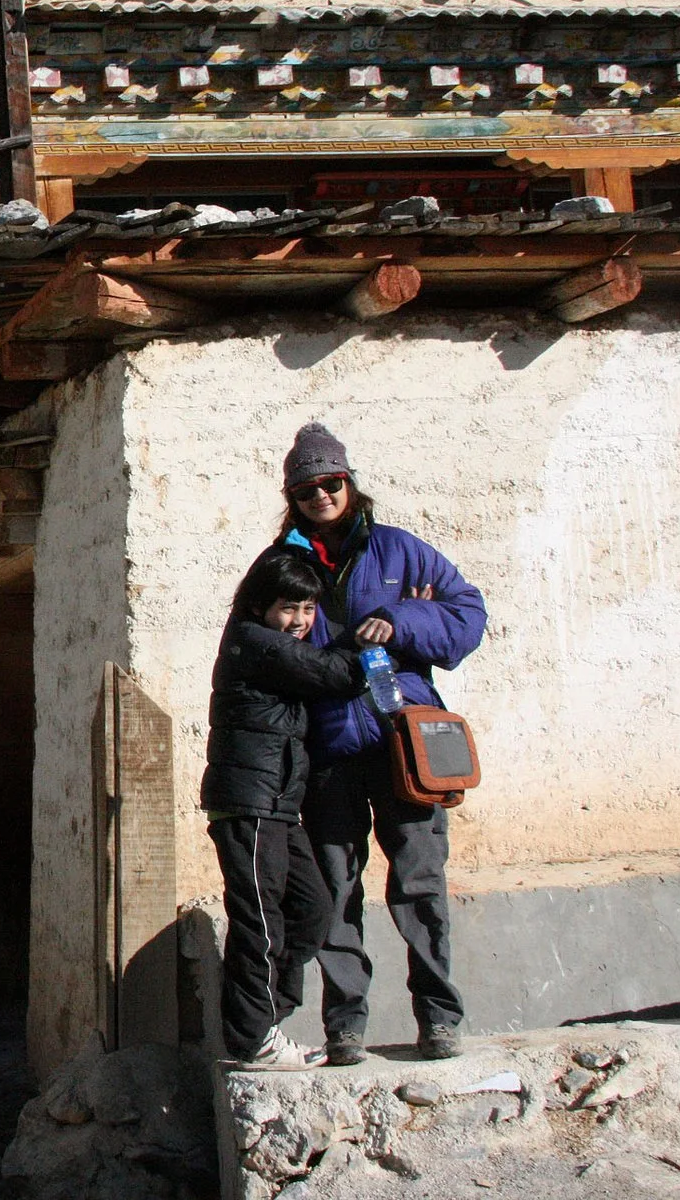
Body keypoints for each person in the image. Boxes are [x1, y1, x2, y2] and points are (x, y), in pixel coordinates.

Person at [276, 422, 485, 1065]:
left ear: (350, 482)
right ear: (292, 497)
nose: (321, 495)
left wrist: (402, 619)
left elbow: (468, 616)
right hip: (328, 750)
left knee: (420, 883)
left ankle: (439, 1018)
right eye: (306, 488)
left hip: (404, 748)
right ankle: (344, 1026)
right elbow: (261, 644)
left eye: (331, 482)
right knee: (336, 890)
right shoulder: (282, 566)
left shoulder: (400, 551)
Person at [204, 547, 368, 1072]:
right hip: (247, 803)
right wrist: (369, 636)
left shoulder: (272, 642)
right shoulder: (255, 641)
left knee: (312, 907)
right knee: (260, 920)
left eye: (308, 609)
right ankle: (253, 1040)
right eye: (288, 608)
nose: (299, 621)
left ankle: (265, 1017)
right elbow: (337, 673)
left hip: (276, 803)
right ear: (260, 607)